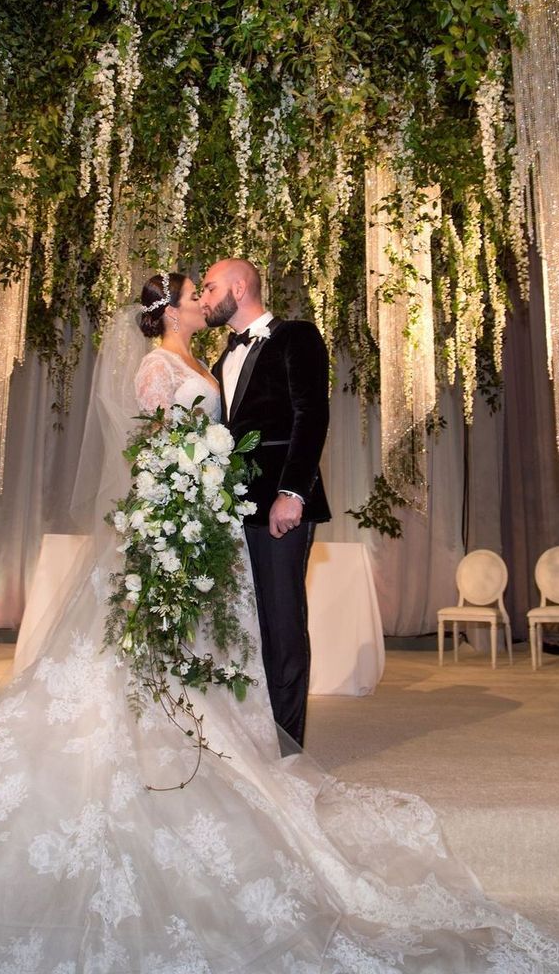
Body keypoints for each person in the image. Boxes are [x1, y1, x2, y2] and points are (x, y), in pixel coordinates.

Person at [0, 273, 559, 973]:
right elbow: (155, 447)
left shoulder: (220, 356)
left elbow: (271, 423)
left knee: (227, 645)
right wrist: (187, 495)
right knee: (148, 654)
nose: (205, 297)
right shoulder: (165, 366)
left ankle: (241, 738)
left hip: (218, 519)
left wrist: (242, 487)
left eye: (209, 287)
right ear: (172, 312)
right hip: (183, 517)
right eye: (193, 291)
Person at [201, 258, 329, 749]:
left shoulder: (297, 336)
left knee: (281, 621)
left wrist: (292, 493)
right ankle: (251, 735)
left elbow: (311, 414)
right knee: (245, 624)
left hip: (280, 502)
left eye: (210, 287)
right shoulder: (221, 360)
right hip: (235, 506)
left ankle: (287, 745)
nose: (205, 297)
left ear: (240, 285)